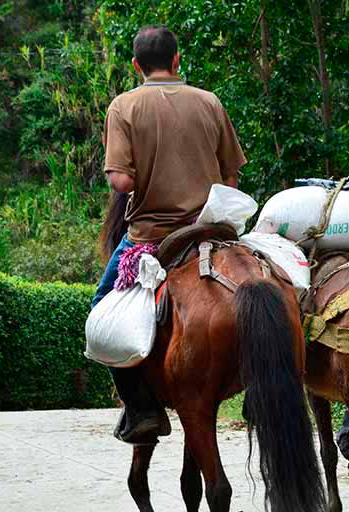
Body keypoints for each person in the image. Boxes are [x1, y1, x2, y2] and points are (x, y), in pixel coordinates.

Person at [95, 25, 247, 444]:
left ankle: (142, 409)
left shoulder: (123, 106)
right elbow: (231, 178)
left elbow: (122, 185)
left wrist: (129, 171)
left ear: (135, 65)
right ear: (177, 60)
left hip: (150, 237)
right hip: (210, 230)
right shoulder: (209, 102)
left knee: (101, 310)